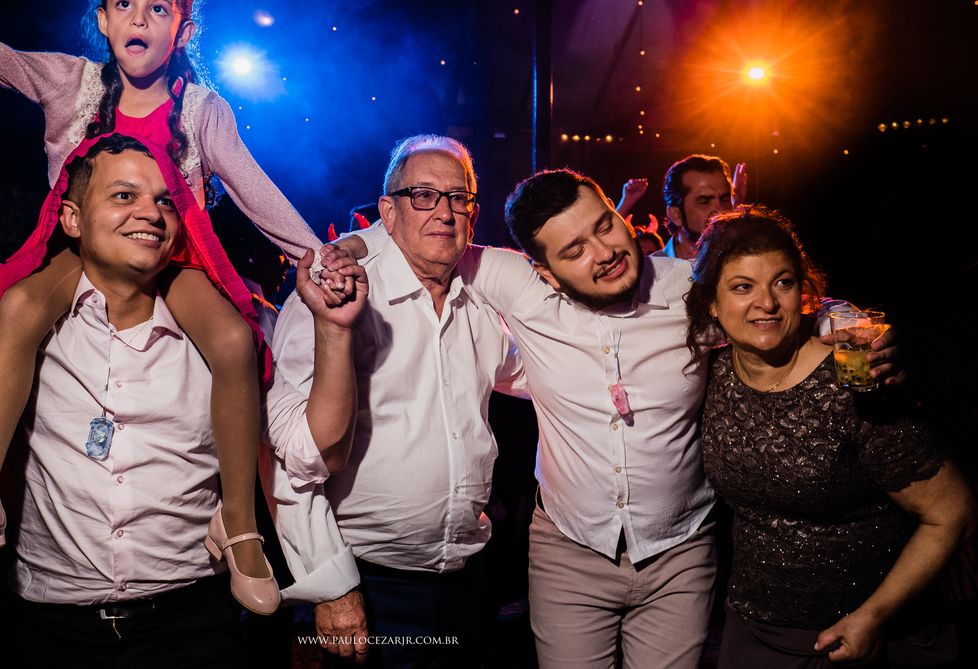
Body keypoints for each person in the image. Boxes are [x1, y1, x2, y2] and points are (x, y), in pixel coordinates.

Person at [0, 0, 367, 663]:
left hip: (194, 627)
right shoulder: (29, 298)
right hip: (50, 634)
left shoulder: (221, 320)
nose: (149, 210)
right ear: (70, 213)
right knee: (16, 306)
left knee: (236, 341)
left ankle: (236, 529)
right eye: (122, 194)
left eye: (167, 199)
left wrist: (327, 293)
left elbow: (310, 453)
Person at [338, 167, 901, 669]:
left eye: (604, 225)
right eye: (574, 250)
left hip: (680, 552)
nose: (604, 252)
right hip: (567, 552)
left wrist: (847, 325)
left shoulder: (688, 288)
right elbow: (425, 239)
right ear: (545, 271)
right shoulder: (517, 284)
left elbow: (779, 302)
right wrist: (348, 250)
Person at [266, 135, 527, 667]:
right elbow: (287, 457)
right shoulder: (337, 291)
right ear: (388, 211)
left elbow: (532, 375)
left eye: (459, 198)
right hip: (371, 584)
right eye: (423, 195)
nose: (445, 212)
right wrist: (331, 585)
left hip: (464, 576)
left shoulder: (479, 299)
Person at [685, 206, 976, 668]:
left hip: (861, 635)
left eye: (782, 282)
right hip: (755, 631)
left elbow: (953, 513)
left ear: (802, 292)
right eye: (742, 287)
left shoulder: (854, 379)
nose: (767, 303)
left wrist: (873, 617)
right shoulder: (710, 375)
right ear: (712, 304)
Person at [661, 153, 745, 259]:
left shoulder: (740, 260)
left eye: (725, 199)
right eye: (704, 202)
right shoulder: (650, 268)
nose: (721, 211)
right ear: (676, 215)